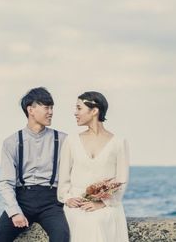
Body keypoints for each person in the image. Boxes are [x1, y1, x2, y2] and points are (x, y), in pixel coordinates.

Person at [0, 87, 70, 242]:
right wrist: (15, 212)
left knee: (62, 236)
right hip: (22, 201)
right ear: (31, 110)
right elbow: (5, 182)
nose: (51, 112)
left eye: (52, 108)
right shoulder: (12, 142)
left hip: (51, 203)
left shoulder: (63, 140)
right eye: (46, 107)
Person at [57, 91, 129, 242]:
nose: (75, 113)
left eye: (79, 108)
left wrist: (101, 203)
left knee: (97, 221)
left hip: (107, 204)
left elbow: (121, 181)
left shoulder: (119, 142)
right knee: (85, 220)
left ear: (94, 110)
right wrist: (68, 198)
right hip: (76, 203)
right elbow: (63, 179)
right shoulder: (71, 141)